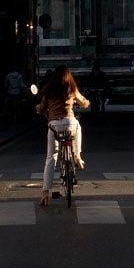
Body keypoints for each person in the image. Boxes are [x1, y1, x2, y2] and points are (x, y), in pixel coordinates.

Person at [36, 64, 90, 206]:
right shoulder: (71, 89)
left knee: (51, 157)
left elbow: (42, 109)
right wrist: (85, 102)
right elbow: (84, 102)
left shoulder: (48, 91)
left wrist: (38, 109)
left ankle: (45, 193)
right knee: (77, 126)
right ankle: (77, 154)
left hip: (54, 126)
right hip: (69, 122)